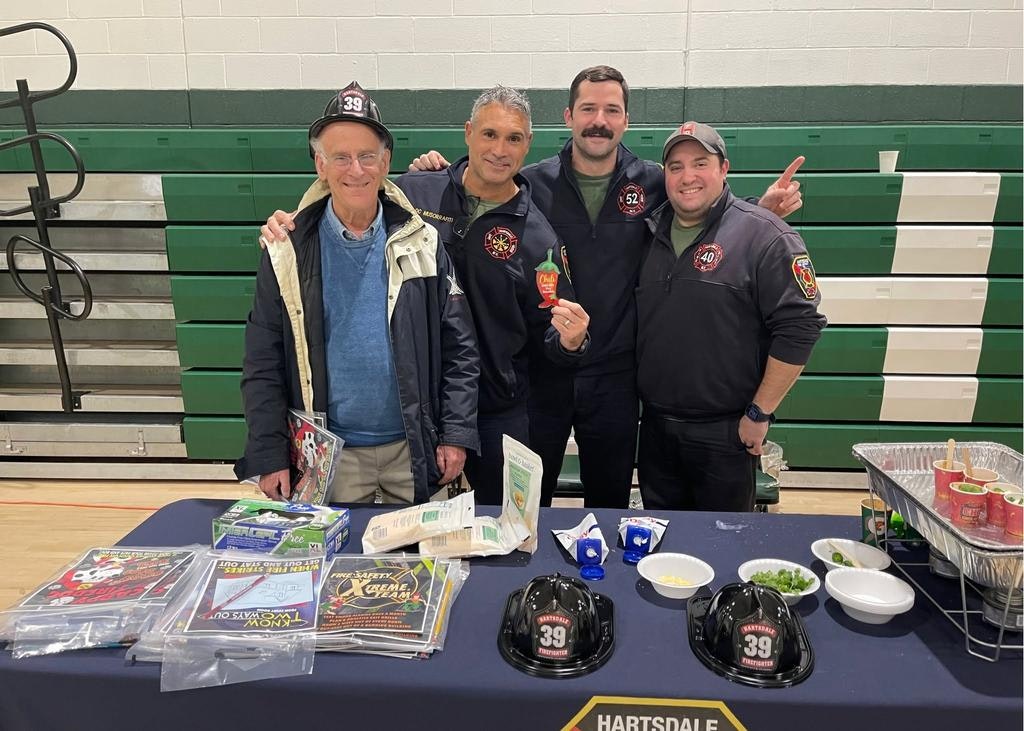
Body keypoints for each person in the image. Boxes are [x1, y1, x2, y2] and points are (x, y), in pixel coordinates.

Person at [410, 66, 805, 509]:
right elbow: (475, 189)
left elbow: (701, 208)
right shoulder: (531, 184)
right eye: (588, 108)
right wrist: (436, 172)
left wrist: (758, 209)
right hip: (542, 376)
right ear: (569, 116)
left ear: (626, 121)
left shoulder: (654, 182)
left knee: (609, 502)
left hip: (616, 375)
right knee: (528, 503)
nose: (599, 119)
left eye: (611, 110)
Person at [261, 85, 590, 505]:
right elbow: (349, 191)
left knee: (496, 535)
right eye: (489, 134)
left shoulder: (539, 239)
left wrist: (571, 340)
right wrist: (289, 224)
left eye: (513, 138)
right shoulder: (418, 192)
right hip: (420, 411)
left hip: (493, 411)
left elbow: (551, 336)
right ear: (468, 133)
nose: (499, 149)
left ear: (528, 145)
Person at [235, 81, 479, 507]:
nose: (356, 170)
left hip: (414, 452)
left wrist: (456, 435)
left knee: (426, 570)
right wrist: (269, 452)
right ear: (320, 164)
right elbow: (263, 361)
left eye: (367, 156)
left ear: (385, 162)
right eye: (341, 157)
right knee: (334, 571)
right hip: (331, 458)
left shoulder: (423, 241)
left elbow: (460, 349)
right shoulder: (286, 250)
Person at [636, 121, 826, 512]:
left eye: (700, 163)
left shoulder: (768, 236)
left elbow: (801, 327)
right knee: (660, 547)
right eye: (675, 166)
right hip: (655, 430)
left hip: (726, 434)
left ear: (724, 169)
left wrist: (760, 413)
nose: (688, 176)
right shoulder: (649, 233)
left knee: (723, 550)